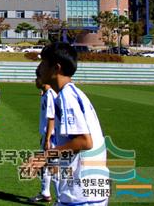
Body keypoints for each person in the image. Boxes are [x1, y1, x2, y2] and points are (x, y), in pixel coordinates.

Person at [29, 42, 109, 205]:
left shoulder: (67, 97)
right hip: (87, 190)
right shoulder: (71, 94)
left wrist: (45, 155)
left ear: (56, 68)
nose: (40, 68)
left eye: (43, 62)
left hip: (82, 195)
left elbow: (85, 141)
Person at [29, 68, 59, 203]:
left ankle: (60, 199)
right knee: (45, 166)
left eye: (37, 78)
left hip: (52, 138)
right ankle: (45, 193)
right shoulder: (46, 94)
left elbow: (51, 118)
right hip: (48, 136)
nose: (35, 81)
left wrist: (47, 139)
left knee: (53, 168)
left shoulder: (50, 95)